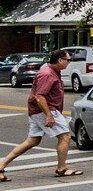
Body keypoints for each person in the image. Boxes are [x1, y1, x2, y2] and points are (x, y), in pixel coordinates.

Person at [0, 48, 79, 181]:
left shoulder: (53, 71)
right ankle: (61, 169)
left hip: (40, 110)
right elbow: (40, 96)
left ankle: (1, 164)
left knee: (33, 140)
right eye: (68, 60)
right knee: (65, 137)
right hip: (45, 110)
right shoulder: (47, 74)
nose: (69, 62)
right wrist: (48, 115)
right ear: (60, 60)